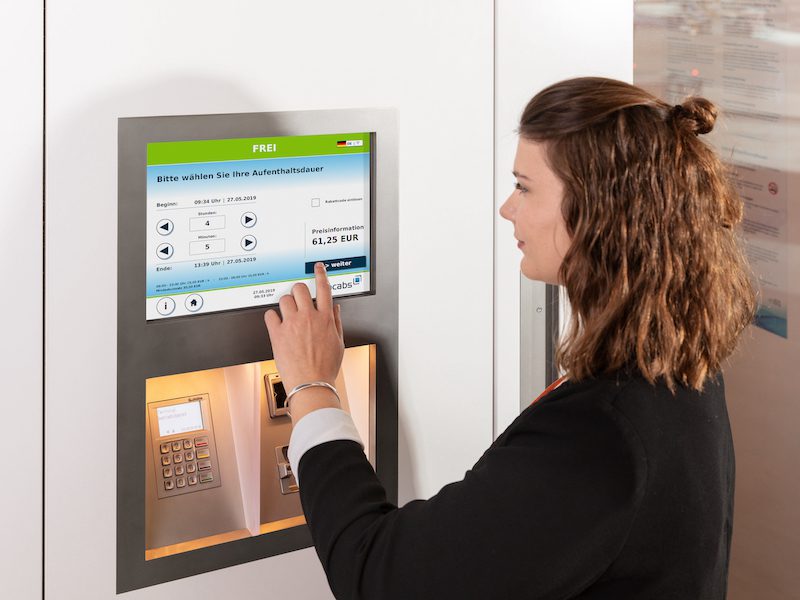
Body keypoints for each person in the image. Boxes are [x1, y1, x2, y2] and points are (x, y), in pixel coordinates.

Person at [264, 77, 755, 599]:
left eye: (524, 186)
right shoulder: (679, 367)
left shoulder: (601, 437)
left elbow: (378, 575)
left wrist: (312, 390)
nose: (506, 208)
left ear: (594, 210)